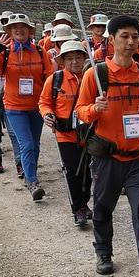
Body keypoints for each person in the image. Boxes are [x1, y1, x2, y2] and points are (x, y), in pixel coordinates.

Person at [73, 14, 139, 277]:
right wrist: (95, 108)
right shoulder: (95, 75)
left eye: (135, 36)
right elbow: (80, 111)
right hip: (107, 158)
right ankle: (103, 251)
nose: (130, 42)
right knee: (104, 207)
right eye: (124, 36)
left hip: (138, 158)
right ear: (112, 39)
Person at [0, 13, 51, 199]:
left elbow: (49, 76)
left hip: (36, 107)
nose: (19, 29)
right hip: (15, 108)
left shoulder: (40, 52)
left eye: (23, 26)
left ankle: (30, 173)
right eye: (14, 27)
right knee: (27, 144)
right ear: (8, 31)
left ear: (30, 31)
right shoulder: (4, 52)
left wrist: (50, 102)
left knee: (36, 144)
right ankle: (32, 181)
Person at [39, 40, 93, 228]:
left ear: (84, 58)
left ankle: (84, 203)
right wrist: (47, 115)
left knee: (87, 172)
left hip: (87, 134)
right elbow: (44, 102)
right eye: (69, 58)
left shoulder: (92, 78)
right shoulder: (55, 79)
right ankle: (77, 208)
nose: (75, 62)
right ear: (62, 61)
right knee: (72, 171)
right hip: (65, 135)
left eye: (78, 57)